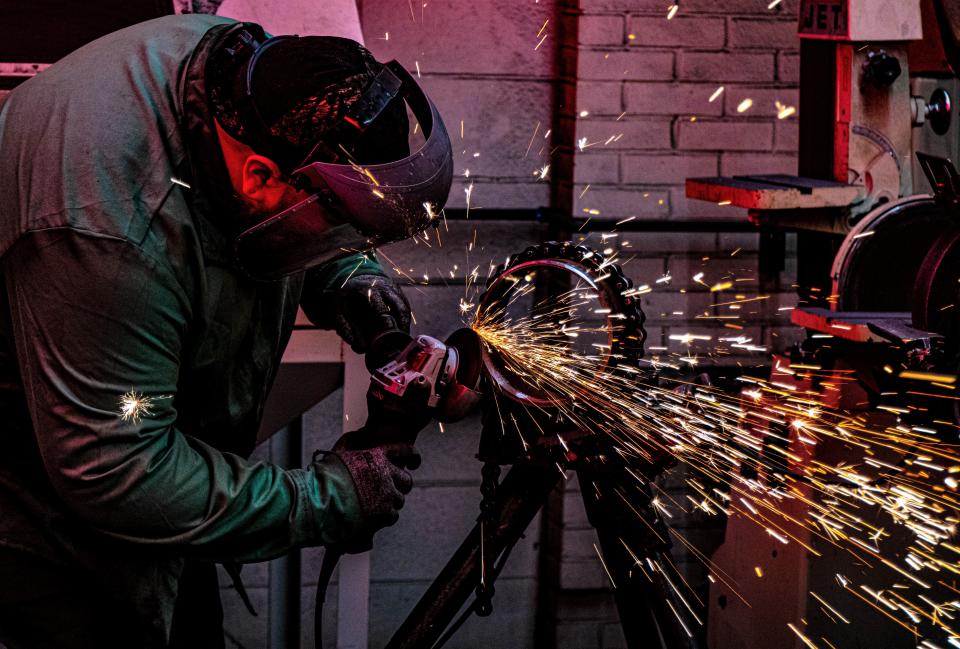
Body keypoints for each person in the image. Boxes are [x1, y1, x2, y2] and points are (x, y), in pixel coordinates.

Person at [0, 13, 452, 649]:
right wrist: (332, 496)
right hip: (41, 513)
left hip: (150, 458)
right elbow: (118, 470)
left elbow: (290, 226)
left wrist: (360, 294)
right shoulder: (109, 233)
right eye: (343, 225)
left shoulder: (241, 77)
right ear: (260, 177)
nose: (349, 243)